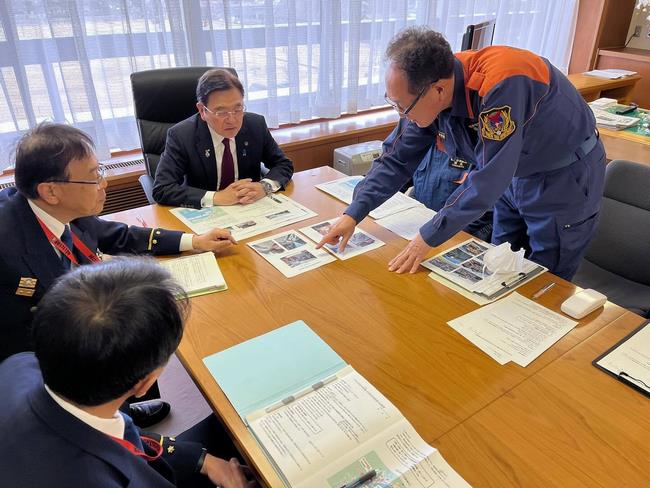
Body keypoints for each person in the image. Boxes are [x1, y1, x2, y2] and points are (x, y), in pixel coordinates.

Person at [318, 27, 605, 281]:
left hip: (562, 179)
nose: (401, 114)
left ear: (438, 90)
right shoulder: (428, 90)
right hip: (512, 177)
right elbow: (397, 158)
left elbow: (486, 180)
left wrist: (427, 237)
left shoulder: (500, 85)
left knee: (547, 278)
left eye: (402, 106)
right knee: (499, 265)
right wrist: (353, 214)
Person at [0, 122, 236, 426]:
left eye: (101, 172)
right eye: (93, 177)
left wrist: (194, 241)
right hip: (34, 357)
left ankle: (121, 407)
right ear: (51, 191)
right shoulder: (7, 245)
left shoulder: (65, 212)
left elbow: (119, 235)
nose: (104, 183)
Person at [0, 258, 255, 487]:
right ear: (144, 384)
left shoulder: (19, 366)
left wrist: (202, 460)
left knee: (226, 426)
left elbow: (121, 434)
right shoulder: (90, 478)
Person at [153, 68, 294, 208]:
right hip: (206, 213)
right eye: (221, 112)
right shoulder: (182, 135)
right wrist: (216, 197)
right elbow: (163, 188)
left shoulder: (255, 125)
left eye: (238, 109)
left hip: (250, 207)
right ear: (202, 111)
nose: (232, 120)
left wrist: (265, 187)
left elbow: (283, 164)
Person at [410, 144, 493, 242]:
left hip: (461, 231)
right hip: (422, 226)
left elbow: (489, 205)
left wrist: (443, 232)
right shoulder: (426, 140)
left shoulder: (478, 148)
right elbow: (410, 177)